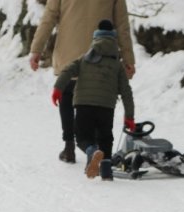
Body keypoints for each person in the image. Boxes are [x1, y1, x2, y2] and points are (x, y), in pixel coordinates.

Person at [29, 0, 135, 164]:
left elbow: (49, 17)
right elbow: (121, 24)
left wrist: (36, 49)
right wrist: (128, 59)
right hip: (101, 56)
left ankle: (70, 146)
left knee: (67, 95)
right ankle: (97, 147)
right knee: (96, 99)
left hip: (68, 53)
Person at [52, 20, 135, 181]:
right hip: (106, 106)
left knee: (82, 136)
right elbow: (126, 91)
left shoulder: (85, 58)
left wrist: (58, 89)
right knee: (106, 138)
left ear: (96, 38)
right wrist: (129, 117)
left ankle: (91, 150)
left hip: (84, 103)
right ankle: (106, 172)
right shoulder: (117, 65)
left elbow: (68, 70)